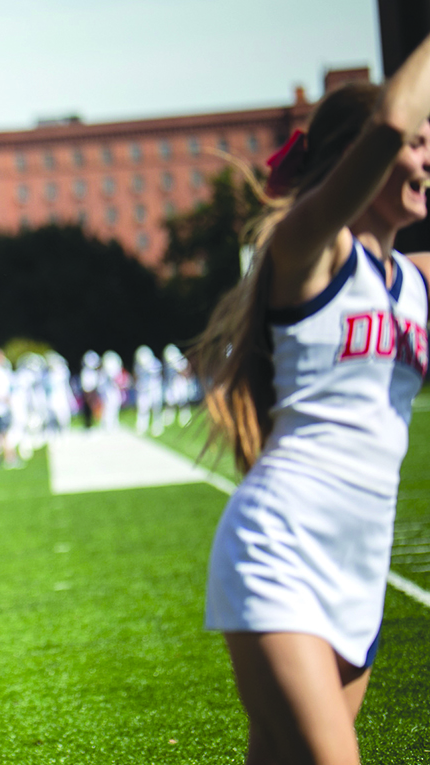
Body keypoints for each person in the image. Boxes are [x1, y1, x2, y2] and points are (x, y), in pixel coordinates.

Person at [195, 37, 430, 765]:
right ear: (361, 159)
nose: (426, 160)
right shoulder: (311, 250)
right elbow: (391, 118)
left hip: (358, 575)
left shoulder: (415, 280)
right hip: (280, 554)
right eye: (418, 146)